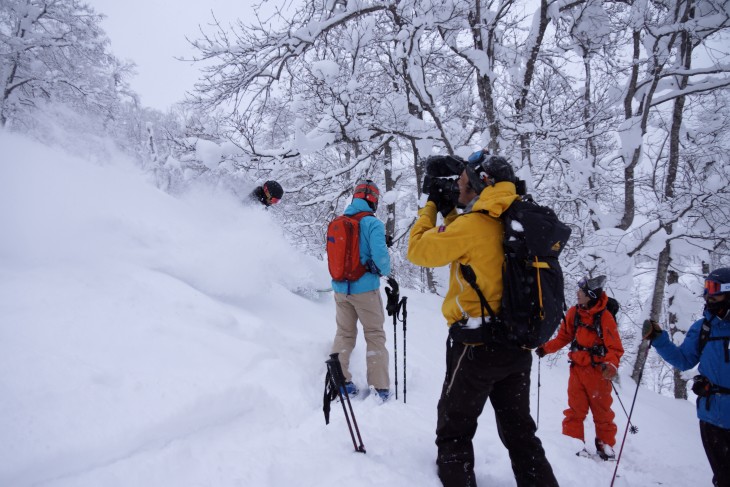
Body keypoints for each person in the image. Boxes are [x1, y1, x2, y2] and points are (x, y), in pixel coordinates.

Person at [408, 150, 558, 487]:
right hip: (517, 346)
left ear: (480, 183)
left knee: (454, 429)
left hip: (476, 346)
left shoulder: (475, 224)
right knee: (521, 433)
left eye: (462, 183)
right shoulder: (516, 219)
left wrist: (430, 205)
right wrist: (452, 208)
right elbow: (471, 244)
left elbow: (418, 250)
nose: (457, 188)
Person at [643, 268, 730, 486]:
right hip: (712, 418)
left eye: (715, 290)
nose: (709, 296)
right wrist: (658, 339)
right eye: (707, 289)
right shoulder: (704, 328)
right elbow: (684, 360)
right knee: (723, 479)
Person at [535, 275, 624, 460]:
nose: (577, 294)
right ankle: (573, 444)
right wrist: (545, 348)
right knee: (574, 410)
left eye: (581, 292)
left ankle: (605, 446)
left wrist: (611, 365)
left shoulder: (605, 317)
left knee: (602, 412)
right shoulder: (574, 313)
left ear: (590, 295)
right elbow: (564, 337)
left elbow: (615, 347)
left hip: (598, 373)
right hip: (576, 369)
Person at [330, 179, 392, 402]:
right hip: (365, 290)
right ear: (373, 200)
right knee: (374, 334)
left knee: (344, 334)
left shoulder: (339, 220)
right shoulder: (373, 224)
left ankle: (340, 382)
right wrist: (385, 270)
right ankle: (379, 387)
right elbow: (381, 259)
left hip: (340, 289)